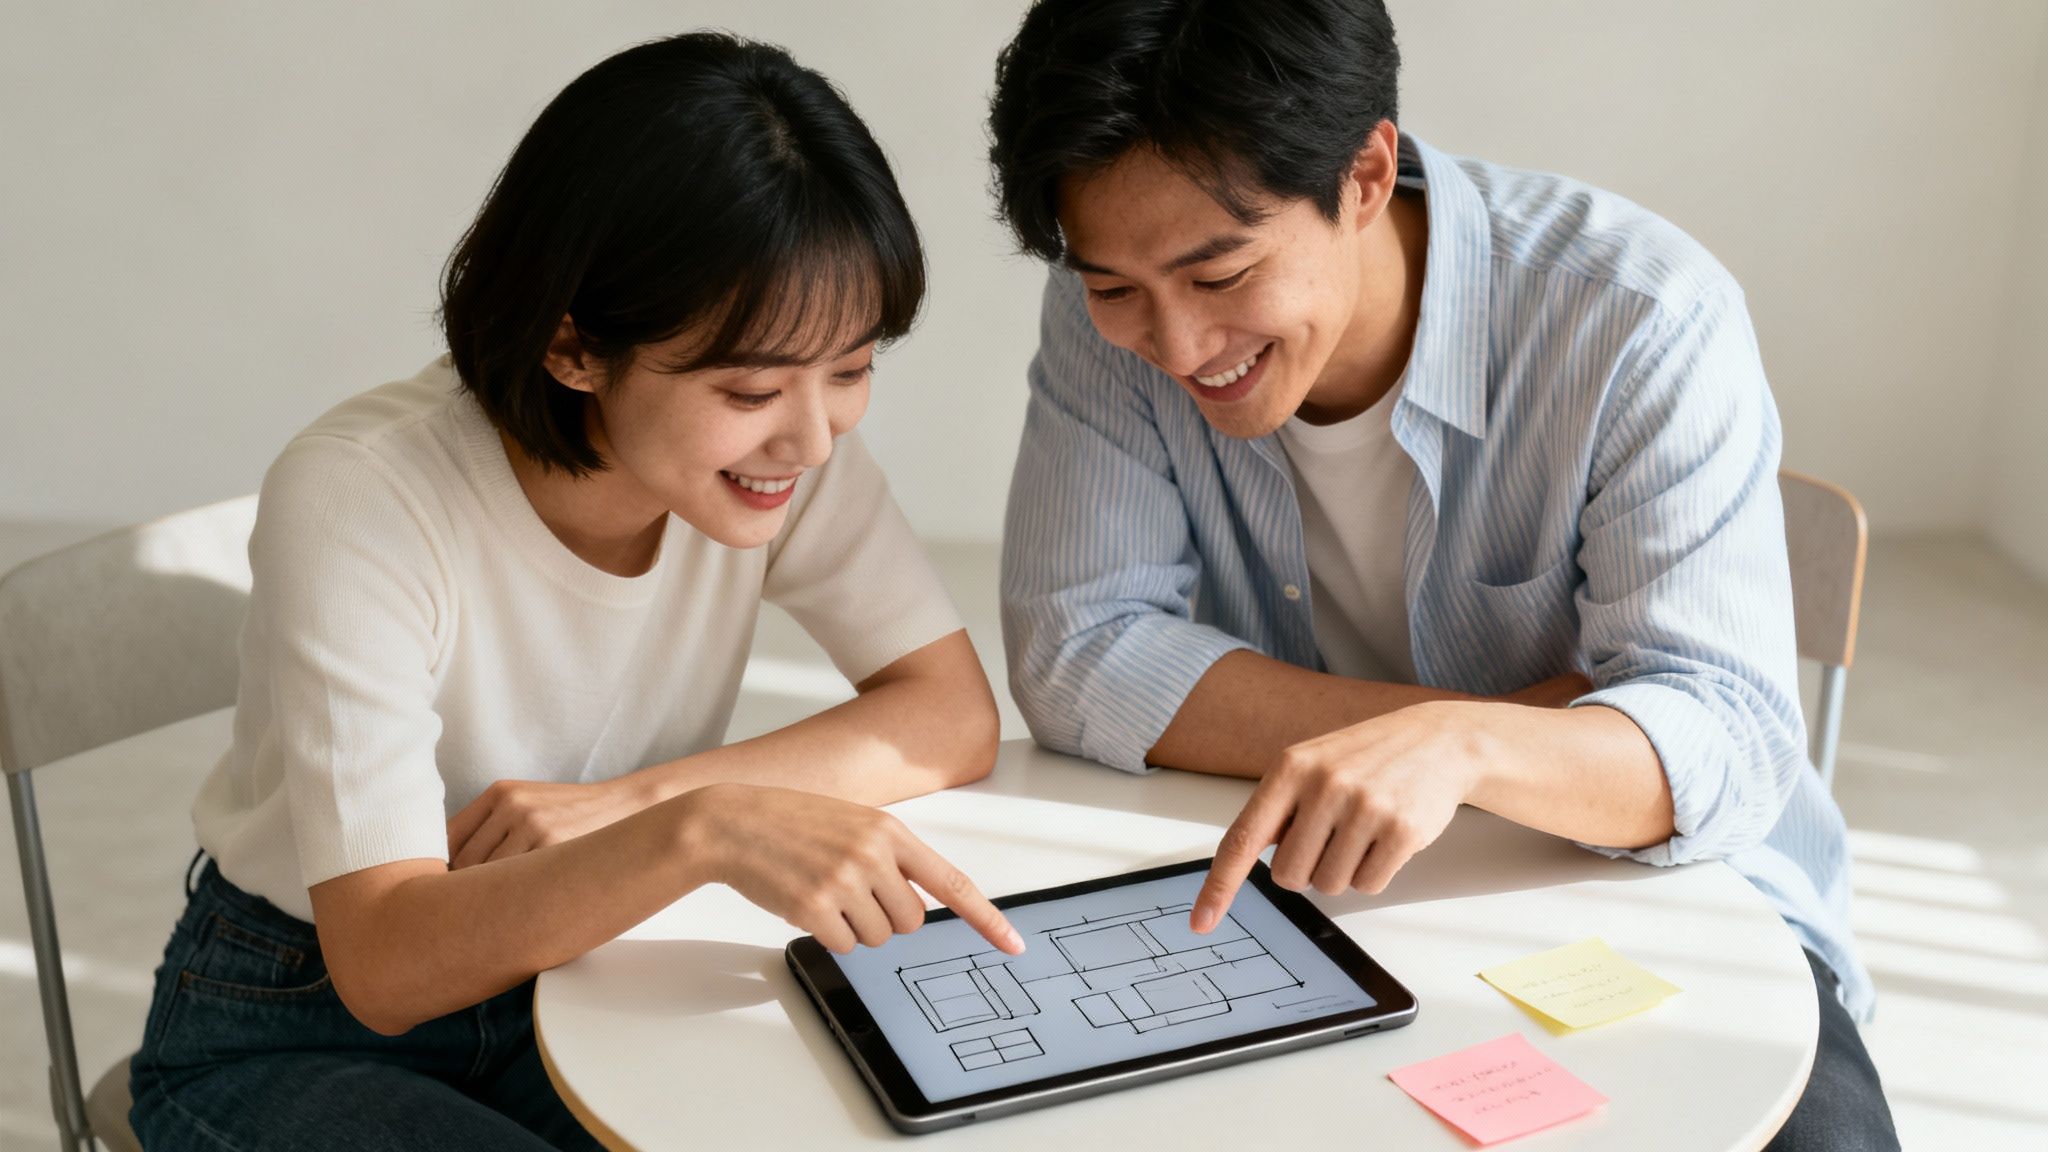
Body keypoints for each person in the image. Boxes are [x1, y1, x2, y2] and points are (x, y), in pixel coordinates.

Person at [986, 2, 1896, 1147]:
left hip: (1656, 892)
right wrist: (1493, 731)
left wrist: (1464, 751)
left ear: (1364, 173)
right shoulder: (1107, 316)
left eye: (1219, 272)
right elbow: (1076, 652)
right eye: (1113, 287)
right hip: (1307, 884)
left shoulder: (1637, 317)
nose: (1172, 347)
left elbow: (1721, 741)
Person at [128, 32, 1022, 1151]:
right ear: (572, 348)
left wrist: (645, 804)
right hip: (297, 1018)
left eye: (851, 369)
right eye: (750, 386)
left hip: (590, 969)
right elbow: (388, 961)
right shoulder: (362, 499)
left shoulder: (775, 458)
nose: (812, 432)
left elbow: (946, 714)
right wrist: (700, 833)